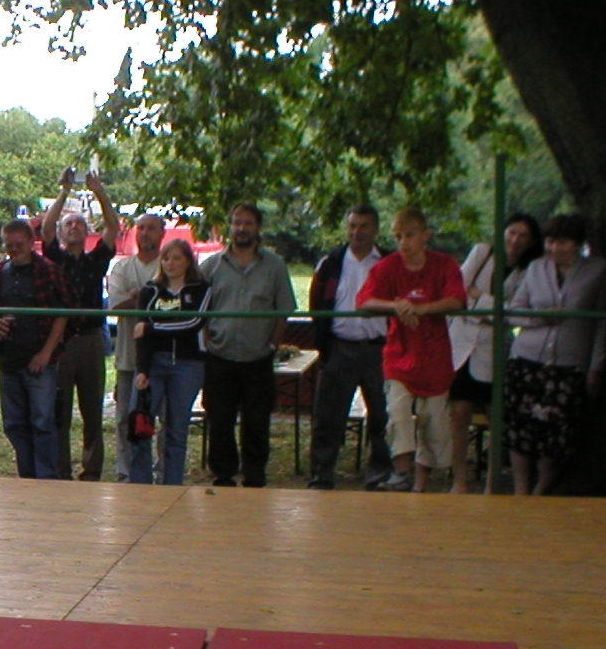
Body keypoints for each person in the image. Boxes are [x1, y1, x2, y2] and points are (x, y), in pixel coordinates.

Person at [357, 206, 468, 492]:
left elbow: (457, 299)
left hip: (434, 357)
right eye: (397, 236)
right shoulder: (387, 267)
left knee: (434, 422)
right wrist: (395, 305)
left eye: (409, 235)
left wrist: (422, 309)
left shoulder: (444, 265)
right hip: (399, 355)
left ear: (425, 236)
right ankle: (401, 472)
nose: (403, 242)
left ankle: (423, 479)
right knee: (397, 411)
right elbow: (364, 300)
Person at [502, 214, 606, 496]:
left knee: (555, 432)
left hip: (569, 363)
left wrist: (596, 366)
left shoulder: (597, 271)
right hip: (526, 358)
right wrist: (541, 317)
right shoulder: (536, 268)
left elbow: (601, 323)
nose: (554, 248)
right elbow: (513, 311)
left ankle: (542, 489)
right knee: (520, 426)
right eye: (550, 241)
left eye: (562, 242)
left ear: (577, 244)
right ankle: (520, 490)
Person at [199, 202, 296, 487]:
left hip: (258, 357)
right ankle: (223, 475)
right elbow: (198, 308)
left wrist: (272, 345)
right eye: (237, 223)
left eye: (248, 223)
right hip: (220, 356)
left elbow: (283, 310)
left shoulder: (274, 266)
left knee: (257, 422)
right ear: (230, 226)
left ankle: (255, 475)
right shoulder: (211, 266)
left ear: (258, 227)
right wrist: (207, 339)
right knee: (220, 420)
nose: (241, 228)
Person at [447, 214, 543, 493]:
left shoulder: (529, 270)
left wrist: (482, 300)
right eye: (512, 232)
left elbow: (517, 313)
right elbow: (459, 291)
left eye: (523, 236)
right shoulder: (482, 253)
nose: (515, 240)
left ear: (531, 241)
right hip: (463, 345)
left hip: (495, 350)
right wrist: (493, 307)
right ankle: (459, 481)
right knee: (459, 414)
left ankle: (492, 484)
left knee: (496, 418)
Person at [306, 204, 392, 491]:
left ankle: (380, 475)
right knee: (327, 417)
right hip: (339, 348)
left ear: (375, 229)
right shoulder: (331, 263)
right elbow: (316, 304)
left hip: (379, 350)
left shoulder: (389, 263)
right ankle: (321, 475)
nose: (357, 232)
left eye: (363, 226)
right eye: (353, 226)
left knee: (383, 416)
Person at [0, 217, 70, 479]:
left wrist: (46, 353)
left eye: (18, 244)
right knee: (14, 424)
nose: (14, 249)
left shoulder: (49, 271)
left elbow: (63, 314)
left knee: (42, 422)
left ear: (31, 242)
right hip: (8, 359)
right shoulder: (0, 273)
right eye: (9, 245)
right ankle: (27, 477)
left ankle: (46, 480)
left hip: (39, 359)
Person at [41, 170, 120, 480]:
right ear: (62, 233)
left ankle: (92, 469)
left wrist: (99, 191)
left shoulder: (96, 260)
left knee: (92, 409)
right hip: (61, 341)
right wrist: (64, 191)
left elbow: (113, 227)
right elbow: (46, 228)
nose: (73, 227)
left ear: (87, 232)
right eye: (68, 224)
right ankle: (61, 469)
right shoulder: (54, 259)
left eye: (79, 224)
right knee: (59, 409)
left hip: (90, 338)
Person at [129, 240, 210, 486]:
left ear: (188, 261)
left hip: (187, 365)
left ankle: (172, 485)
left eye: (176, 258)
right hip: (154, 364)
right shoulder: (150, 291)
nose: (170, 264)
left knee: (176, 430)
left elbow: (192, 323)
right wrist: (142, 370)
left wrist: (152, 328)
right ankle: (141, 485)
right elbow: (140, 333)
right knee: (139, 426)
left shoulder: (201, 289)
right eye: (166, 258)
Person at [106, 211, 166, 481]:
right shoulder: (122, 268)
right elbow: (117, 305)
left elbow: (174, 306)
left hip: (164, 356)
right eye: (140, 228)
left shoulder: (170, 264)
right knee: (125, 418)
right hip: (128, 356)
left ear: (162, 233)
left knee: (166, 419)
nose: (145, 233)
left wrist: (140, 296)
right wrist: (153, 297)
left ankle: (163, 472)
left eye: (151, 228)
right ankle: (127, 472)